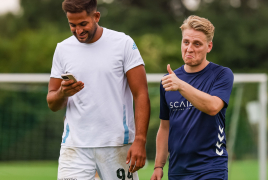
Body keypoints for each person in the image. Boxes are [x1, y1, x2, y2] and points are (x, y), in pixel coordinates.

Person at [46, 0, 150, 179]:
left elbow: (141, 94)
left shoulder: (123, 43)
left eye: (83, 24)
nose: (78, 31)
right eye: (72, 25)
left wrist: (140, 140)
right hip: (75, 147)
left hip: (117, 145)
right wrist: (63, 93)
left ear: (96, 16)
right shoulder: (62, 49)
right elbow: (52, 103)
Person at [150, 15, 234, 180]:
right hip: (177, 171)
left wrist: (181, 86)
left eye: (197, 44)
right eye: (186, 42)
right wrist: (158, 166)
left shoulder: (222, 74)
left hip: (211, 168)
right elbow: (164, 127)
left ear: (209, 46)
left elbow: (213, 107)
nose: (189, 48)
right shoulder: (169, 80)